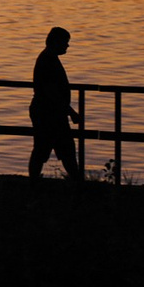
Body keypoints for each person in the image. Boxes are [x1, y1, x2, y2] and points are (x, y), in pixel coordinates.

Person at [29, 25, 82, 182]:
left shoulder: (49, 58)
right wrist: (70, 112)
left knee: (61, 149)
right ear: (55, 42)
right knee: (47, 149)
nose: (67, 45)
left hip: (52, 112)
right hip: (48, 113)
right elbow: (51, 93)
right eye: (65, 42)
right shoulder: (48, 61)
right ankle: (77, 182)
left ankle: (76, 180)